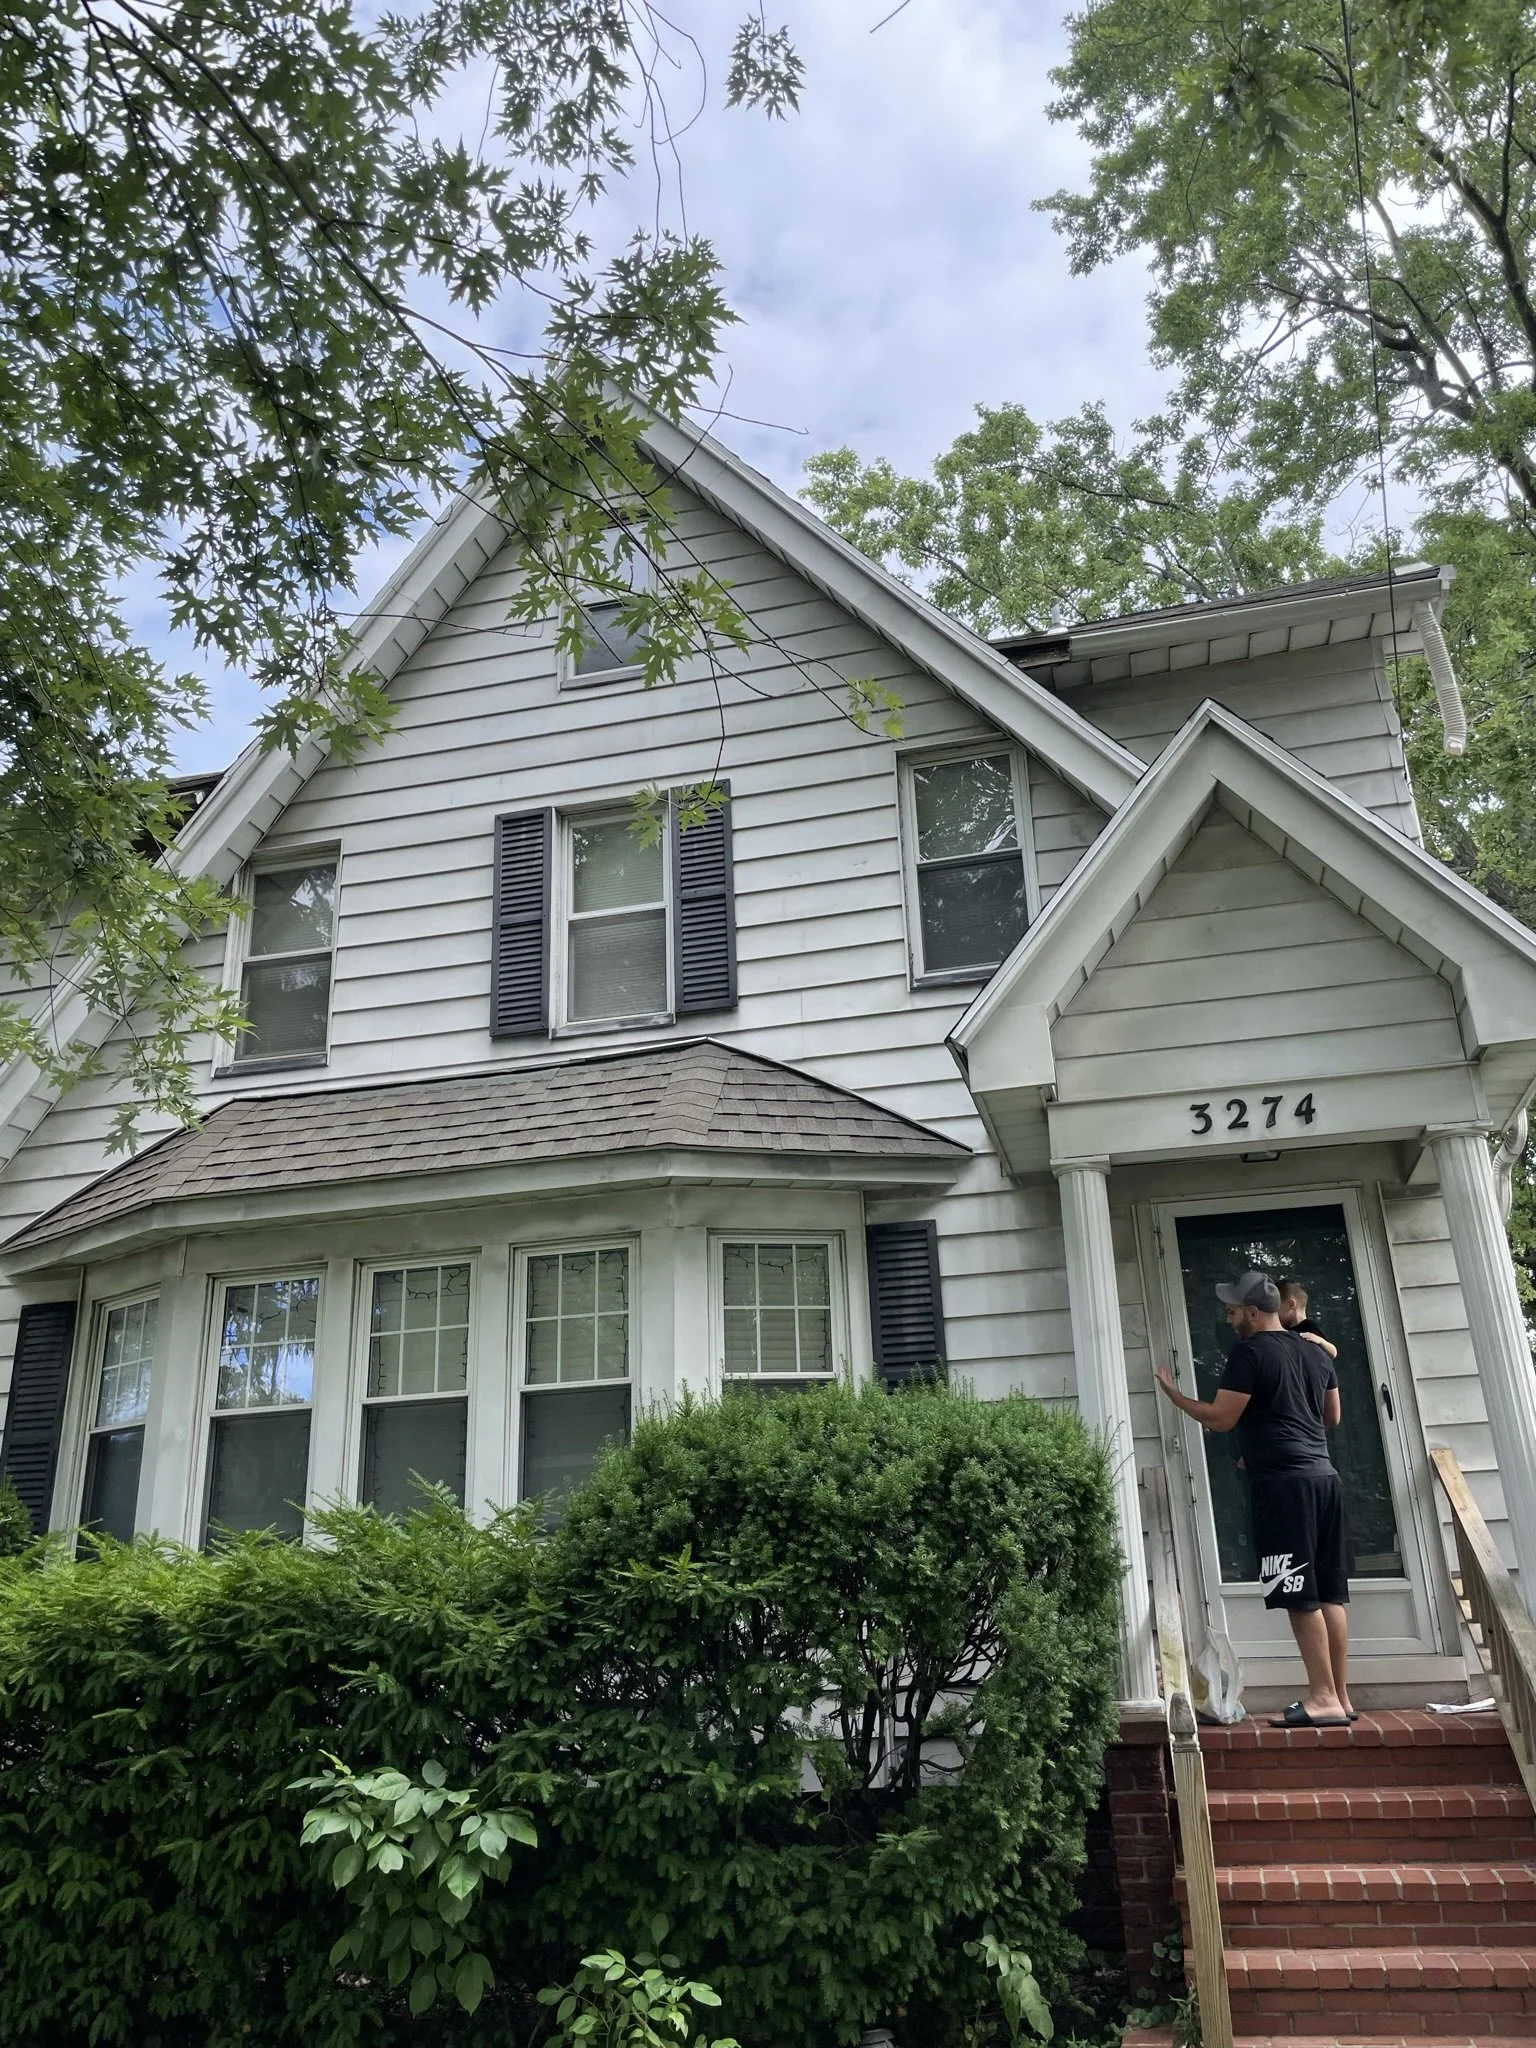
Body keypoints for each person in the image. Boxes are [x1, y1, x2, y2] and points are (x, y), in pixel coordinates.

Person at [1155, 1269, 1353, 1727]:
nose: (1228, 1319)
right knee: (1330, 1594)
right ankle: (1341, 1697)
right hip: (1324, 1478)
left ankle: (1321, 1697)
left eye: (1231, 1311)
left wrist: (1176, 1396)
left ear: (1251, 1312)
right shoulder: (1313, 1351)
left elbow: (1221, 1419)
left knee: (1297, 1591)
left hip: (1284, 1486)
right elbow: (1333, 1416)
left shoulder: (1249, 1353)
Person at [1278, 1278, 1338, 1361]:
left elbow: (1333, 1352)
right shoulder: (1284, 1330)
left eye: (1277, 1308)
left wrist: (1320, 1341)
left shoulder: (1310, 1327)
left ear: (1291, 1304)